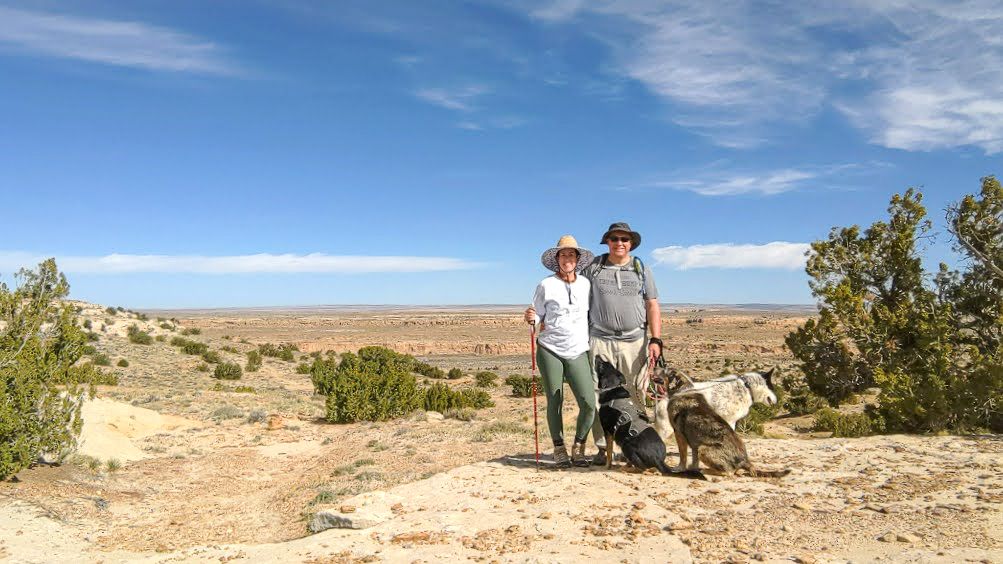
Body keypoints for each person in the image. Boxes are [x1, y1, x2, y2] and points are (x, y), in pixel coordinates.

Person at [526, 222, 661, 465]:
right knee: (586, 398)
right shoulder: (574, 276)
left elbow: (652, 304)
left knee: (619, 397)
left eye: (624, 239)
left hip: (617, 343)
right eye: (614, 239)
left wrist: (656, 338)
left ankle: (632, 443)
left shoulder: (633, 270)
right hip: (584, 343)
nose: (619, 243)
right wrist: (534, 319)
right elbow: (540, 312)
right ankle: (593, 448)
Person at [527, 235, 597, 468]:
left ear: (578, 259)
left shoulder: (586, 284)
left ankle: (579, 447)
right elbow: (538, 315)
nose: (567, 258)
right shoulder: (546, 285)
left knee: (588, 402)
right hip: (550, 349)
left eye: (571, 254)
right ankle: (559, 448)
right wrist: (532, 318)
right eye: (563, 254)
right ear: (557, 259)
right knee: (554, 400)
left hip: (579, 349)